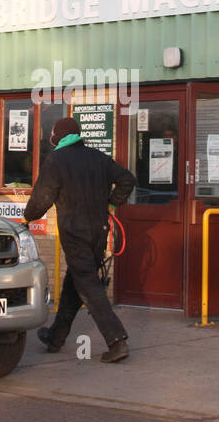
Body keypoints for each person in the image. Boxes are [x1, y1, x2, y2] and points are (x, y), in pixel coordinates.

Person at [24, 117, 136, 362]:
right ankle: (56, 336)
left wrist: (27, 218)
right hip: (99, 229)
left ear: (59, 136)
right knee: (76, 281)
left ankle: (117, 341)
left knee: (87, 283)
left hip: (74, 232)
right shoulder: (98, 157)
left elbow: (42, 198)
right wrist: (111, 202)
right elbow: (128, 179)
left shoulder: (56, 160)